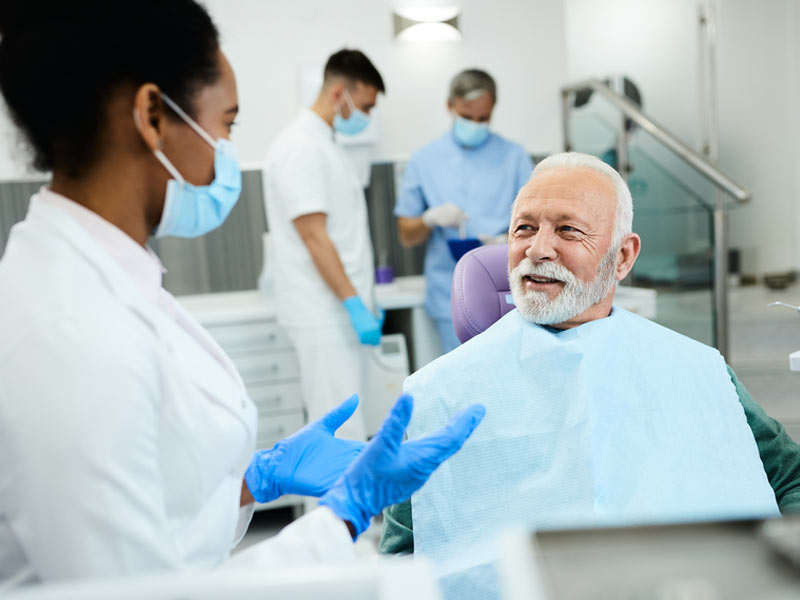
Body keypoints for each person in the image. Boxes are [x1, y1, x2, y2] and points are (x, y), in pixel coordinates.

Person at [0, 1, 485, 589]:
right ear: (153, 115)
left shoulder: (101, 273)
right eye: (226, 125)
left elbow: (153, 514)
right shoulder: (70, 334)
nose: (225, 153)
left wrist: (252, 481)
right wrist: (343, 515)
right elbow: (136, 590)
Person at [380, 152, 800, 599]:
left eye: (567, 230)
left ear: (622, 257)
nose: (538, 249)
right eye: (524, 228)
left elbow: (789, 477)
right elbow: (403, 553)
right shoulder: (438, 393)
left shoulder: (698, 369)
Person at [264, 49, 386, 441]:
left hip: (338, 314)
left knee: (348, 431)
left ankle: (344, 504)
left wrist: (362, 302)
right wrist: (354, 304)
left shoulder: (325, 145)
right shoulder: (300, 147)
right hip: (325, 314)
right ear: (339, 94)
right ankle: (334, 506)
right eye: (365, 105)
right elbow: (314, 236)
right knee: (338, 436)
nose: (366, 115)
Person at [395, 69, 534, 353]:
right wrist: (428, 219)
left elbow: (540, 219)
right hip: (449, 292)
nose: (475, 124)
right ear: (450, 105)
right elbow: (406, 235)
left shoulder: (514, 157)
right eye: (467, 117)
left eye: (483, 118)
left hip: (508, 289)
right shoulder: (424, 160)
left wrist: (509, 241)